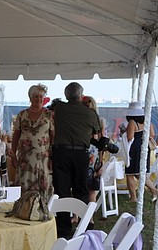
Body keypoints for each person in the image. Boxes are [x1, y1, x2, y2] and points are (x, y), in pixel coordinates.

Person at [50, 82, 101, 239]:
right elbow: (96, 132)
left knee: (62, 191)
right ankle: (83, 225)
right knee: (81, 190)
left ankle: (64, 229)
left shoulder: (59, 108)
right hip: (80, 154)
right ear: (81, 95)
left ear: (66, 95)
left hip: (61, 153)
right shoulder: (90, 113)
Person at [11, 84, 54, 198]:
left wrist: (53, 157)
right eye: (36, 96)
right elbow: (16, 134)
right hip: (25, 158)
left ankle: (42, 211)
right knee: (24, 184)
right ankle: (23, 209)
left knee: (42, 187)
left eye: (41, 97)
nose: (39, 99)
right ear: (30, 98)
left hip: (43, 159)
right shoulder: (22, 114)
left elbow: (53, 136)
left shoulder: (49, 115)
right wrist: (13, 154)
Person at [124, 101, 158, 202]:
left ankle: (134, 196)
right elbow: (152, 135)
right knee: (140, 172)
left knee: (130, 173)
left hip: (134, 148)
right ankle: (153, 190)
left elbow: (130, 137)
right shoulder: (147, 121)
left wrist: (124, 133)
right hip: (144, 147)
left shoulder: (132, 123)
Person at [82, 96, 107, 205]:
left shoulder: (99, 121)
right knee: (81, 187)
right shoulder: (79, 121)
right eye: (85, 103)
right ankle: (77, 215)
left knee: (92, 187)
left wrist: (101, 161)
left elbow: (101, 143)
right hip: (82, 154)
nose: (87, 104)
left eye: (89, 102)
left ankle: (90, 216)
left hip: (94, 157)